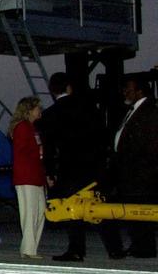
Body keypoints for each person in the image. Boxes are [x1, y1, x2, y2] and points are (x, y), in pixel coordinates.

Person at [42, 73, 119, 261]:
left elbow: (49, 147)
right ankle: (115, 248)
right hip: (94, 165)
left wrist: (50, 172)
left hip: (70, 168)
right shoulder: (88, 107)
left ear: (53, 91)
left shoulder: (50, 114)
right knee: (100, 206)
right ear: (69, 87)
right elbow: (104, 134)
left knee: (72, 208)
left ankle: (77, 249)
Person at [100, 76, 157, 258]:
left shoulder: (150, 112)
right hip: (128, 172)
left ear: (139, 91)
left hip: (138, 173)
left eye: (128, 89)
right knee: (135, 212)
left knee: (138, 211)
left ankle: (141, 248)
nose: (125, 92)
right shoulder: (134, 110)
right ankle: (139, 247)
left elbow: (150, 145)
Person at [8, 96, 47, 260]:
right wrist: (39, 152)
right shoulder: (22, 127)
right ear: (29, 110)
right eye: (38, 108)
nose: (40, 111)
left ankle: (31, 247)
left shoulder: (32, 128)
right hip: (26, 176)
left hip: (35, 175)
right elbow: (22, 151)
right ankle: (29, 249)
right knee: (30, 212)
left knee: (39, 212)